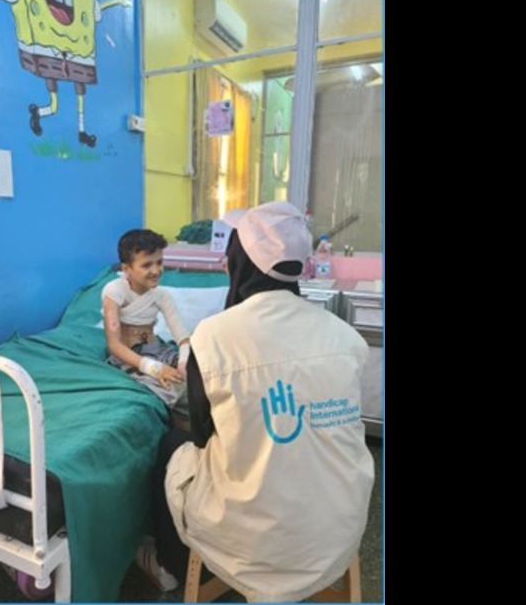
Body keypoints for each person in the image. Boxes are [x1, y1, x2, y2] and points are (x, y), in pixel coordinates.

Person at [146, 201, 376, 602]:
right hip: (338, 531)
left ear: (238, 263)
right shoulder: (345, 337)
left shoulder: (212, 338)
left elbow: (201, 435)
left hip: (251, 546)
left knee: (171, 446)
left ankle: (171, 565)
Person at [102, 229, 191, 409]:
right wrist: (154, 369)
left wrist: (183, 364)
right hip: (128, 357)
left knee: (199, 374)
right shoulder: (115, 291)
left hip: (157, 349)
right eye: (147, 265)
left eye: (159, 262)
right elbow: (114, 345)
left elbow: (183, 338)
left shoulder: (162, 295)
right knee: (168, 387)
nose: (156, 270)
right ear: (126, 268)